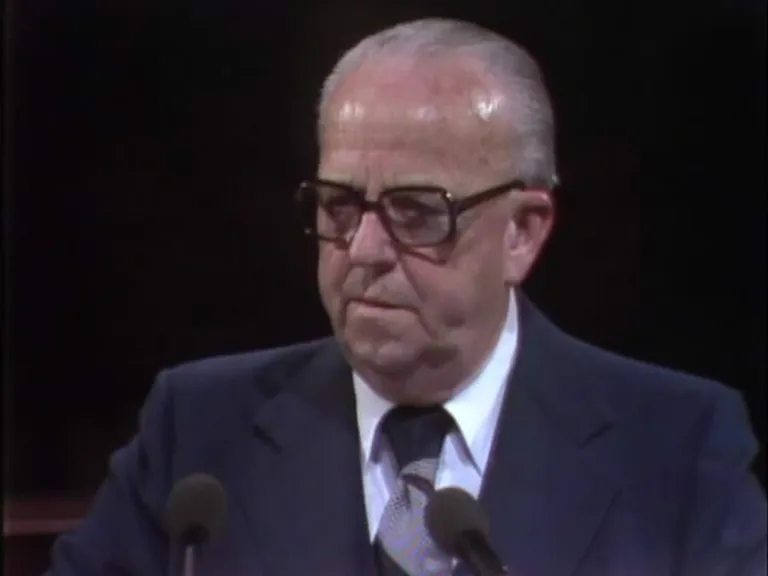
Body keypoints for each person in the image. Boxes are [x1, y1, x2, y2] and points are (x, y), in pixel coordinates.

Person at [45, 18, 765, 576]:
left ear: (522, 232)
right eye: (338, 205)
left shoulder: (679, 449)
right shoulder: (198, 432)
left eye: (417, 212)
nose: (362, 250)